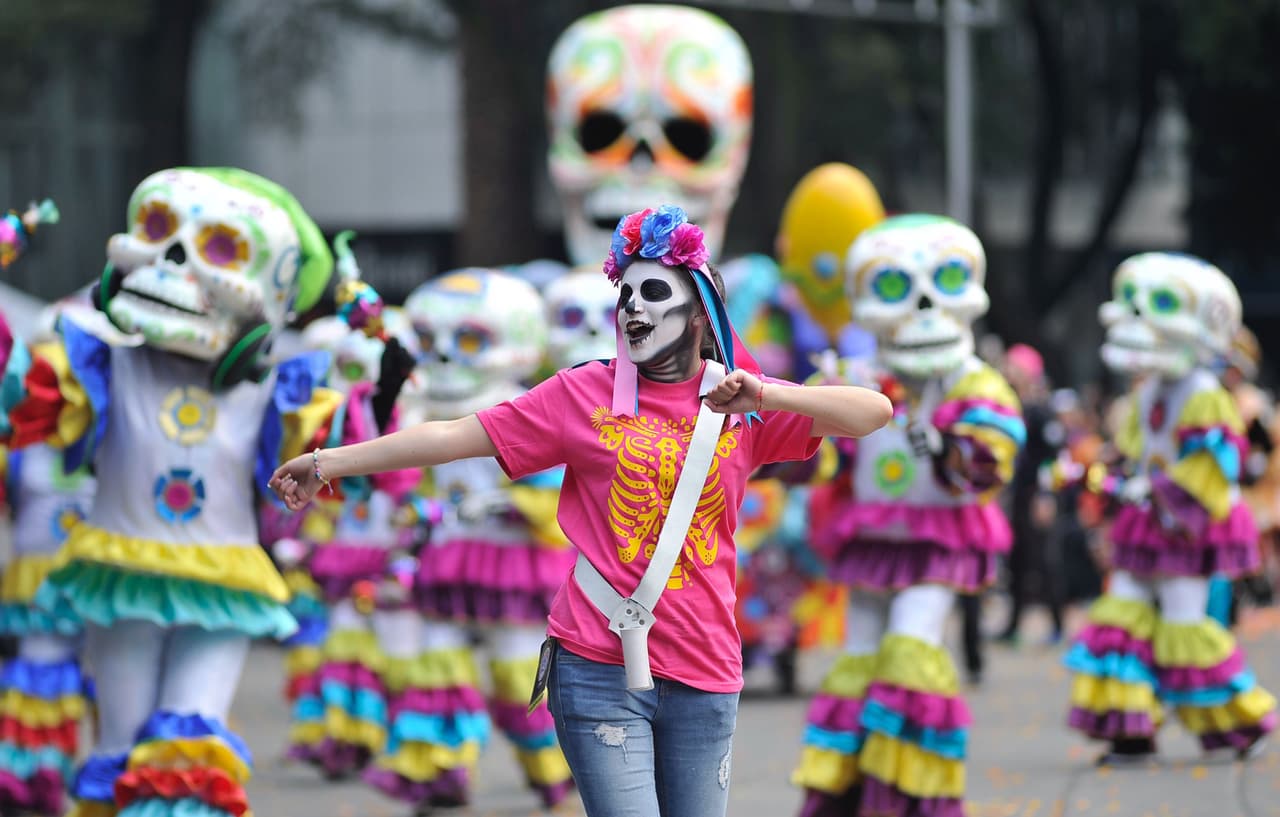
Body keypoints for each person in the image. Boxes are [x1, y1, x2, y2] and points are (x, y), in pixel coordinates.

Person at [271, 205, 893, 817]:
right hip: (597, 663)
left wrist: (764, 393)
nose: (633, 307)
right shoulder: (581, 392)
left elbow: (874, 414)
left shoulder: (740, 402)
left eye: (654, 292)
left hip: (708, 667)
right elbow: (452, 436)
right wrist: (326, 462)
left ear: (703, 317)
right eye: (625, 293)